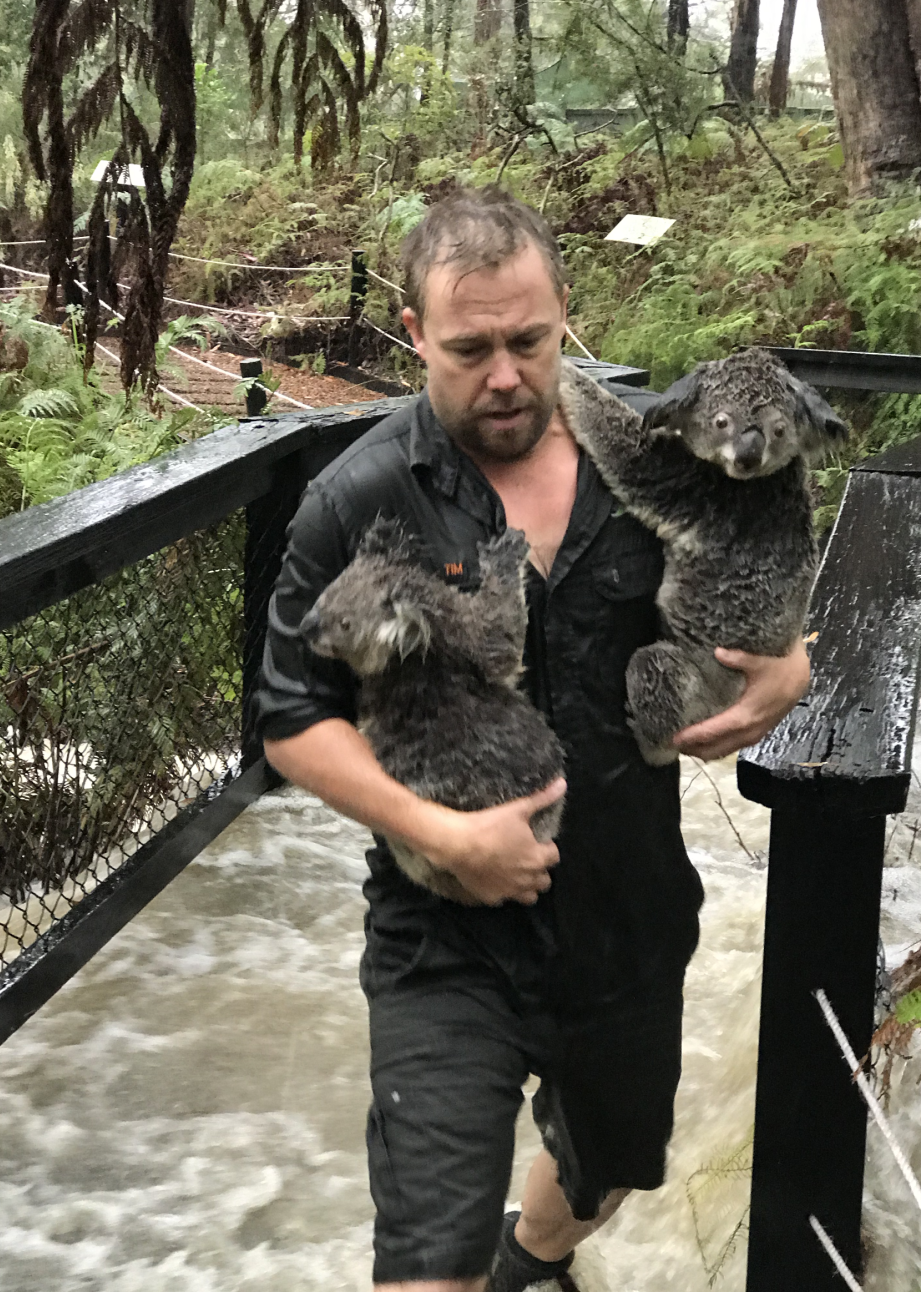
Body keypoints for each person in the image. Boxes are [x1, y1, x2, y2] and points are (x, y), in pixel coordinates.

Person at [254, 187, 810, 1292]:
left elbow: (764, 563)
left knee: (609, 1168)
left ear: (567, 311)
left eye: (529, 339)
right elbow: (290, 718)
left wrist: (790, 665)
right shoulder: (357, 497)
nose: (504, 373)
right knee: (425, 1262)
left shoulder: (657, 454)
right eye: (469, 348)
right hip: (443, 933)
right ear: (414, 334)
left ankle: (534, 1256)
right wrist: (439, 835)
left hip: (629, 908)